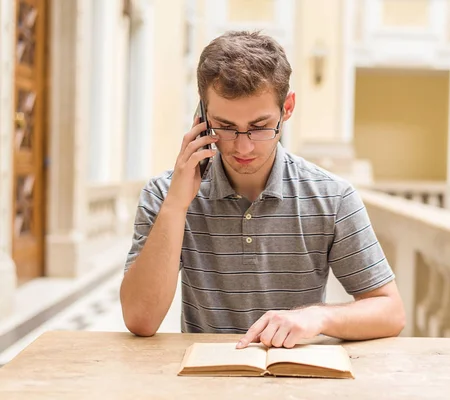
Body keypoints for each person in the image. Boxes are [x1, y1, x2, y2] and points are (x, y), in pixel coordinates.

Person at [120, 30, 405, 349]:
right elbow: (140, 320)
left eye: (259, 127)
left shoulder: (333, 197)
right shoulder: (163, 194)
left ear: (287, 108)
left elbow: (390, 311)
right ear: (202, 116)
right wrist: (175, 205)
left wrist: (318, 317)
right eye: (225, 127)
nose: (243, 146)